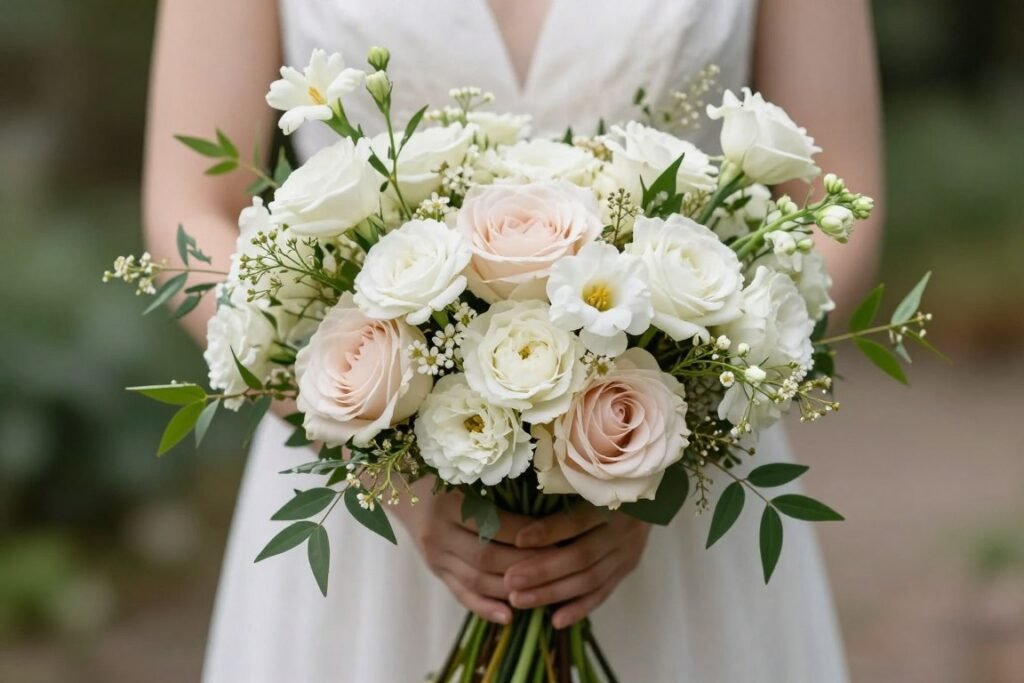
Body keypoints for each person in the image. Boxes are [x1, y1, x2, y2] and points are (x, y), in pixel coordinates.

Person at [143, 1, 882, 680]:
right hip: (364, 509)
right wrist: (394, 465)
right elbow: (189, 213)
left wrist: (660, 452)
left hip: (672, 502)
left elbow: (839, 199)